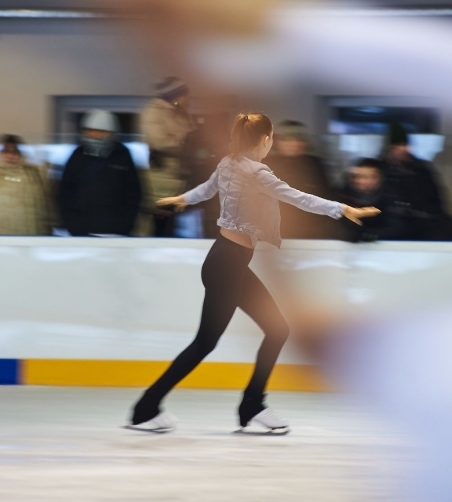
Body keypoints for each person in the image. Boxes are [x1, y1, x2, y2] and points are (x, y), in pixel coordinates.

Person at [127, 112, 379, 434]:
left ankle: (251, 405)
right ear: (264, 139)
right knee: (207, 342)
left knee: (275, 330)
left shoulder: (228, 163)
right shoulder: (257, 172)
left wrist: (181, 199)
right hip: (227, 265)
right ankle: (147, 409)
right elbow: (298, 198)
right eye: (271, 137)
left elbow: (206, 190)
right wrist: (342, 209)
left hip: (226, 261)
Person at [58, 109, 142, 237]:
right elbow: (65, 193)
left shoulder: (122, 156)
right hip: (82, 232)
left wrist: (124, 226)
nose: (94, 135)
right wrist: (73, 225)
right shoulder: (77, 156)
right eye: (90, 131)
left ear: (110, 133)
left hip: (115, 232)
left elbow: (133, 194)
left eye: (100, 131)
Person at [377, 122, 452, 241]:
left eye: (405, 145)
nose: (402, 149)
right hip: (391, 225)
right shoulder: (379, 169)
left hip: (423, 225)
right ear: (389, 148)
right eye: (397, 145)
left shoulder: (421, 169)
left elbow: (435, 199)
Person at [263, 119, 341, 239]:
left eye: (299, 139)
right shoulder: (264, 164)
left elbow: (327, 196)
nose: (295, 144)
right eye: (288, 139)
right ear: (277, 141)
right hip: (272, 232)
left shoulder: (315, 164)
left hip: (312, 231)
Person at [138, 77, 196, 237]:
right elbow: (161, 142)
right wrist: (186, 143)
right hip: (161, 177)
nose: (188, 99)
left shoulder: (182, 114)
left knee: (175, 223)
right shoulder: (153, 112)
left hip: (180, 176)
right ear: (175, 96)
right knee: (159, 223)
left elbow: (193, 136)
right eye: (185, 95)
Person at [338, 158, 393, 242]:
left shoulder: (390, 200)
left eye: (365, 177)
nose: (359, 181)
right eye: (356, 176)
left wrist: (367, 234)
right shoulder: (340, 198)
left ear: (378, 179)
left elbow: (395, 229)